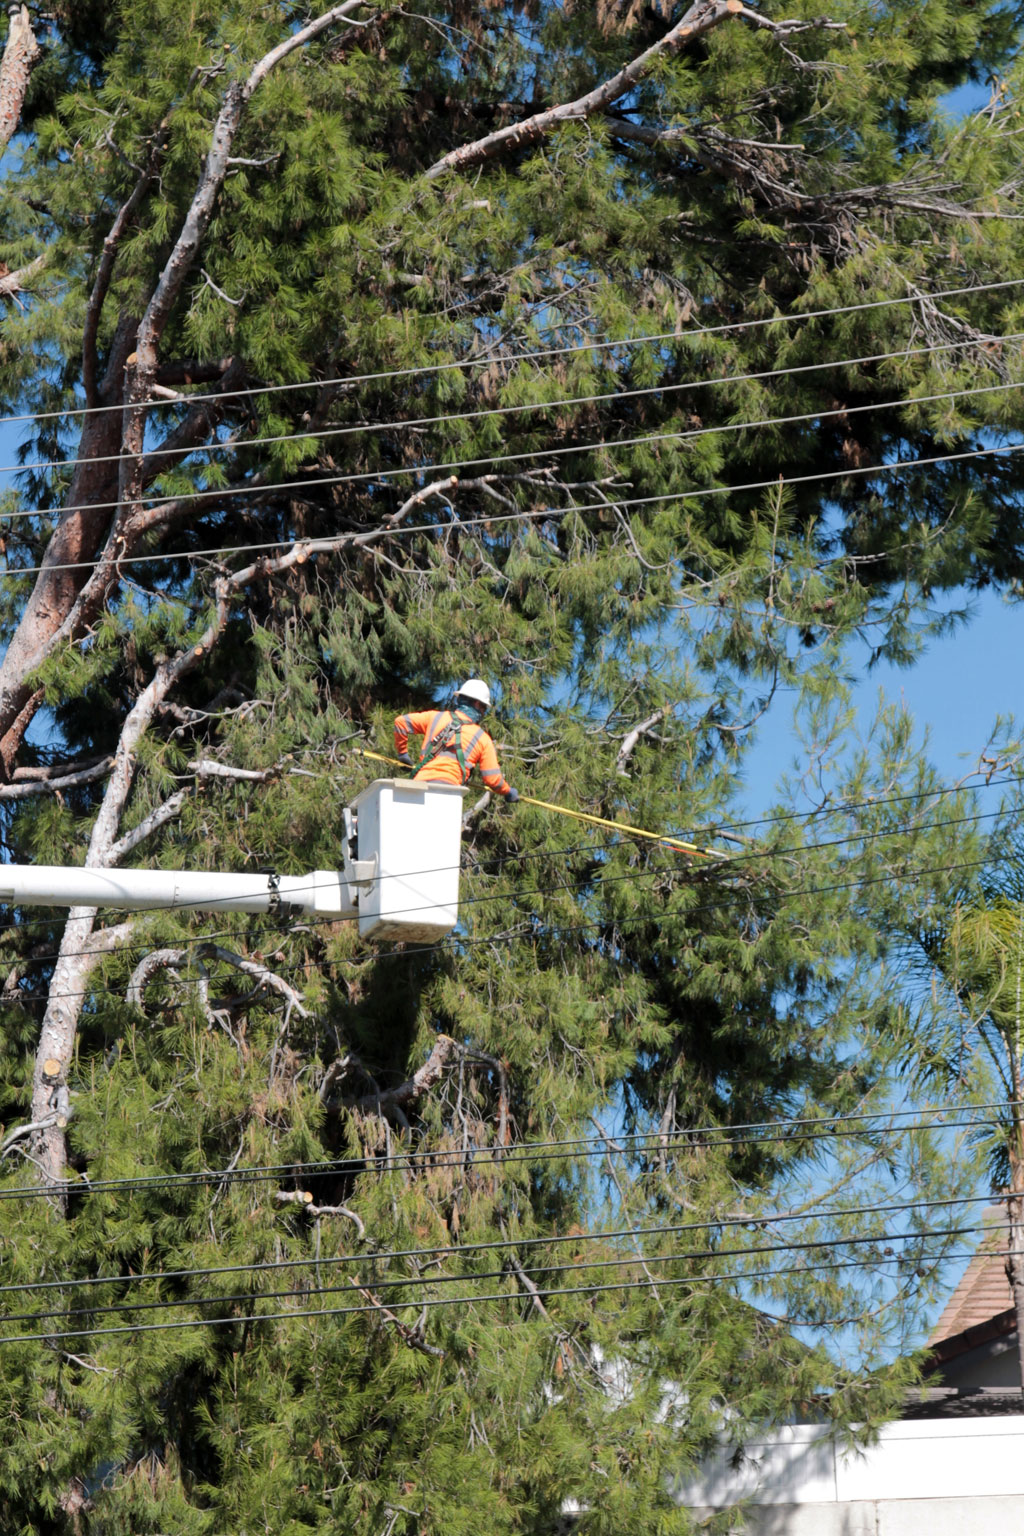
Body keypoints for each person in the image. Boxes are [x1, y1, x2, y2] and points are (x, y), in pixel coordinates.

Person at [393, 679, 519, 803]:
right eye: (484, 708)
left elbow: (401, 722)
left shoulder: (436, 717)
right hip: (449, 791)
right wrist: (508, 792)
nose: (483, 712)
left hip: (419, 787)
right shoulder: (483, 738)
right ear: (477, 704)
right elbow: (492, 779)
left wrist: (402, 754)